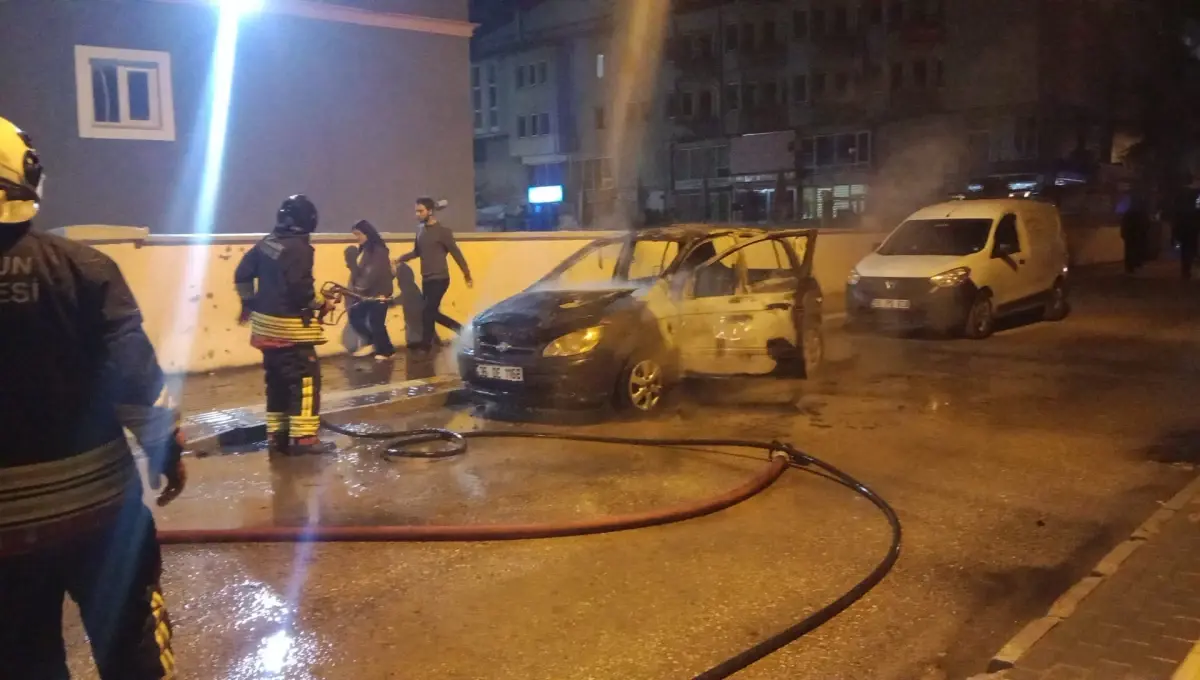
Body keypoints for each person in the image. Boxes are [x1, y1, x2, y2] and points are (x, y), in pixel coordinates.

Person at [0, 116, 186, 679]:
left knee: (23, 659)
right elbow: (134, 380)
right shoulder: (84, 267)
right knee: (131, 646)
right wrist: (165, 454)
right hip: (100, 514)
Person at [234, 194, 335, 455]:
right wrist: (321, 303)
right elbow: (301, 289)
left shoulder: (267, 243)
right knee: (305, 382)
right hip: (290, 333)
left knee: (277, 383)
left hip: (265, 332)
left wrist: (248, 303)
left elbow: (242, 274)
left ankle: (277, 435)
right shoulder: (300, 249)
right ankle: (304, 439)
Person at [395, 197, 473, 352]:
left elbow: (456, 253)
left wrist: (467, 274)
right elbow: (417, 252)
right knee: (430, 312)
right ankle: (461, 330)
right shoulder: (420, 231)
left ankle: (426, 345)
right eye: (416, 211)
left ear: (430, 211)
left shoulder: (443, 232)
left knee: (428, 311)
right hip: (427, 278)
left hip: (440, 278)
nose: (417, 214)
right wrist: (401, 258)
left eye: (420, 211)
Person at [345, 219, 395, 360]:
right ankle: (381, 346)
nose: (357, 238)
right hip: (367, 293)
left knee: (376, 322)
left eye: (358, 234)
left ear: (367, 233)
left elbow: (372, 272)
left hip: (379, 292)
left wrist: (359, 288)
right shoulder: (366, 250)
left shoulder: (378, 250)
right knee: (357, 317)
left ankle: (385, 351)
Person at [1171, 180, 1200, 281]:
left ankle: (1185, 269)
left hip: (1182, 224)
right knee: (1191, 247)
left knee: (1184, 247)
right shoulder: (1197, 195)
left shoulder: (1180, 194)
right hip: (1193, 225)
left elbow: (1175, 209)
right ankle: (1187, 268)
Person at [1121, 196, 1150, 274]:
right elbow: (1146, 224)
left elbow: (1124, 224)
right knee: (1136, 250)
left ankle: (1130, 266)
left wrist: (1124, 233)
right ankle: (1135, 265)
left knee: (1130, 251)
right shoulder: (1141, 213)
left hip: (1131, 235)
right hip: (1136, 235)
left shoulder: (1129, 213)